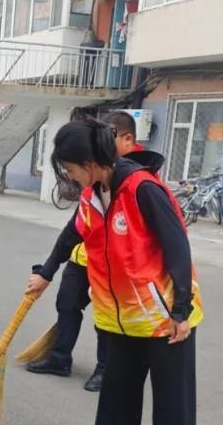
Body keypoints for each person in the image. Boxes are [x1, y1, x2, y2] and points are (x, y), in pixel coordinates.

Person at [25, 116, 203, 425]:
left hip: (163, 322)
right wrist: (47, 272)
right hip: (118, 318)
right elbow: (73, 233)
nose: (67, 176)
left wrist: (180, 310)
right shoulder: (93, 194)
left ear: (90, 162)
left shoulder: (142, 189)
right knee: (117, 398)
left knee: (172, 414)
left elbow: (178, 245)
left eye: (69, 168)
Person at [26, 111, 159, 392]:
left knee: (107, 316)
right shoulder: (93, 182)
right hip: (84, 257)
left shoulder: (138, 181)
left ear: (127, 139)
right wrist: (47, 271)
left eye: (108, 137)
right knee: (67, 304)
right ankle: (59, 358)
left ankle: (105, 368)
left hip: (116, 267)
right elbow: (73, 230)